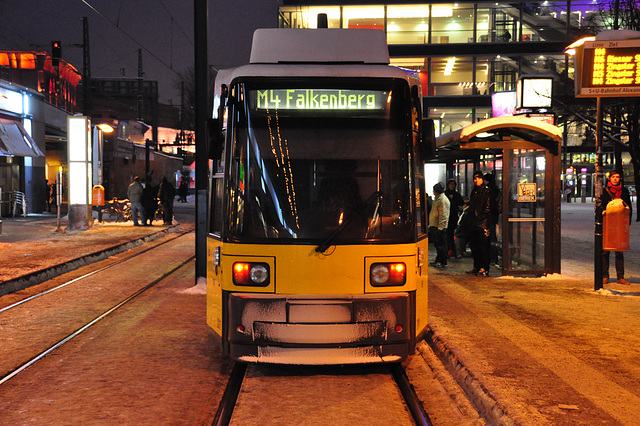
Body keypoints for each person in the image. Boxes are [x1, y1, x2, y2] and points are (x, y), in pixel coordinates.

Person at [602, 170, 632, 285]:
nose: (615, 179)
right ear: (610, 179)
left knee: (619, 250)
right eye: (613, 177)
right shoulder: (605, 191)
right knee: (605, 250)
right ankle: (605, 276)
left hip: (619, 223)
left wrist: (627, 222)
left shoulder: (624, 191)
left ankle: (620, 277)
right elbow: (601, 206)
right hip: (608, 223)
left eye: (617, 177)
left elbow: (628, 207)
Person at [467, 171, 492, 276]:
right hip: (474, 223)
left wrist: (480, 217)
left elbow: (488, 208)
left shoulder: (486, 192)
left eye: (478, 178)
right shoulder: (474, 192)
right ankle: (477, 266)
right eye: (475, 178)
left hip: (482, 224)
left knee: (483, 246)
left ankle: (484, 268)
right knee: (474, 246)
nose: (476, 180)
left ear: (482, 179)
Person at [429, 182, 450, 268]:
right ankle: (439, 260)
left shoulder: (442, 200)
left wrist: (441, 227)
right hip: (436, 225)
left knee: (441, 245)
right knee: (438, 245)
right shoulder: (438, 199)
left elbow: (443, 215)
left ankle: (443, 261)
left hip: (439, 227)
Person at [484, 173, 502, 266]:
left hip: (490, 215)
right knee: (492, 235)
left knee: (490, 235)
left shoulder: (489, 190)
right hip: (494, 215)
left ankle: (492, 256)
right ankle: (493, 256)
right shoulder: (496, 189)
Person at [445, 179, 464, 259]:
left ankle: (451, 251)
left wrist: (454, 198)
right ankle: (451, 251)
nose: (452, 186)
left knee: (450, 234)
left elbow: (461, 202)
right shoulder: (445, 194)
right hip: (446, 216)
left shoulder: (456, 194)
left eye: (453, 184)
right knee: (448, 235)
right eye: (450, 184)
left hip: (452, 217)